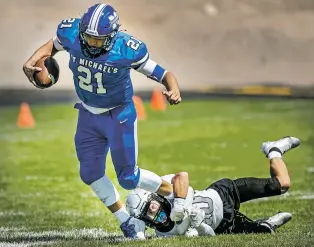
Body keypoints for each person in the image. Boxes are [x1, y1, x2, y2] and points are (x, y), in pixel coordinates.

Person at [22, 3, 182, 239]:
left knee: (128, 178)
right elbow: (53, 44)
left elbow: (163, 73)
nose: (92, 43)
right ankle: (128, 223)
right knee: (90, 173)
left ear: (113, 35)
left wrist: (173, 89)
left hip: (119, 116)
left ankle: (176, 193)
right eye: (88, 37)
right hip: (88, 115)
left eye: (99, 39)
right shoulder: (72, 34)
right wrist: (33, 60)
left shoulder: (126, 49)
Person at [125, 136, 300, 237]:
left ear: (154, 198)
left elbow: (182, 177)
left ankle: (274, 150)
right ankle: (266, 223)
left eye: (151, 208)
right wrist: (198, 225)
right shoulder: (165, 234)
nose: (154, 214)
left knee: (282, 185)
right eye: (147, 215)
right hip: (222, 225)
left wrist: (179, 205)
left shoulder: (166, 193)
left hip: (224, 194)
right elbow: (210, 237)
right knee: (261, 232)